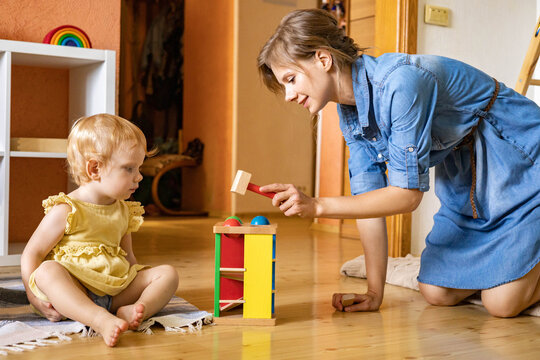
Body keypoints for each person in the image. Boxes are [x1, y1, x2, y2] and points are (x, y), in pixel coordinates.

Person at [257, 9, 540, 317]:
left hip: (519, 158)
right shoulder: (350, 115)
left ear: (323, 60)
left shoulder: (401, 83)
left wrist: (318, 206)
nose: (287, 95)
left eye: (290, 79)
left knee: (502, 304)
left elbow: (406, 196)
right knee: (435, 291)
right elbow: (369, 202)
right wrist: (374, 293)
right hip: (467, 178)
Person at [21, 114, 179, 346]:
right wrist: (33, 296)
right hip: (74, 292)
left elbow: (129, 258)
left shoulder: (125, 210)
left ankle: (133, 311)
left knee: (168, 274)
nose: (139, 176)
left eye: (139, 167)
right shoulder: (67, 209)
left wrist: (137, 285)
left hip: (114, 292)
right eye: (129, 168)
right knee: (46, 271)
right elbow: (32, 253)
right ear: (95, 168)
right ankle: (99, 319)